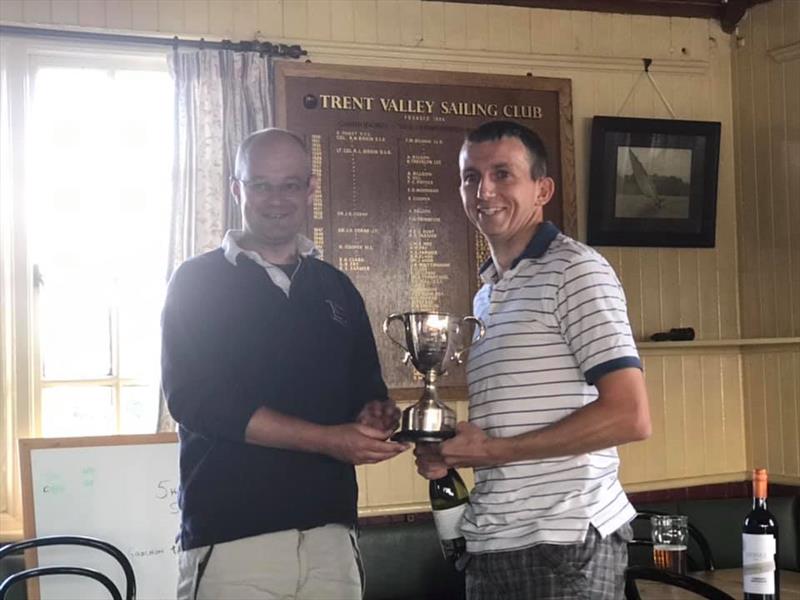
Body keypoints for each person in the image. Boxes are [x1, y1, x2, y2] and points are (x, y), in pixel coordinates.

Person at [162, 128, 406, 600]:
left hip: (332, 535)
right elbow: (197, 402)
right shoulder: (196, 283)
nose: (277, 199)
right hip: (234, 536)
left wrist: (378, 416)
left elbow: (367, 390)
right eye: (261, 185)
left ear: (311, 189)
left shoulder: (337, 288)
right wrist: (328, 441)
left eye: (290, 184)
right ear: (237, 189)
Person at [415, 120, 651, 599]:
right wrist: (452, 452)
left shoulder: (577, 269)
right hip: (492, 541)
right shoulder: (486, 296)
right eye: (470, 176)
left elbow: (630, 415)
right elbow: (506, 431)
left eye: (503, 174)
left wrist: (494, 452)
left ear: (542, 189)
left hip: (566, 543)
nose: (484, 190)